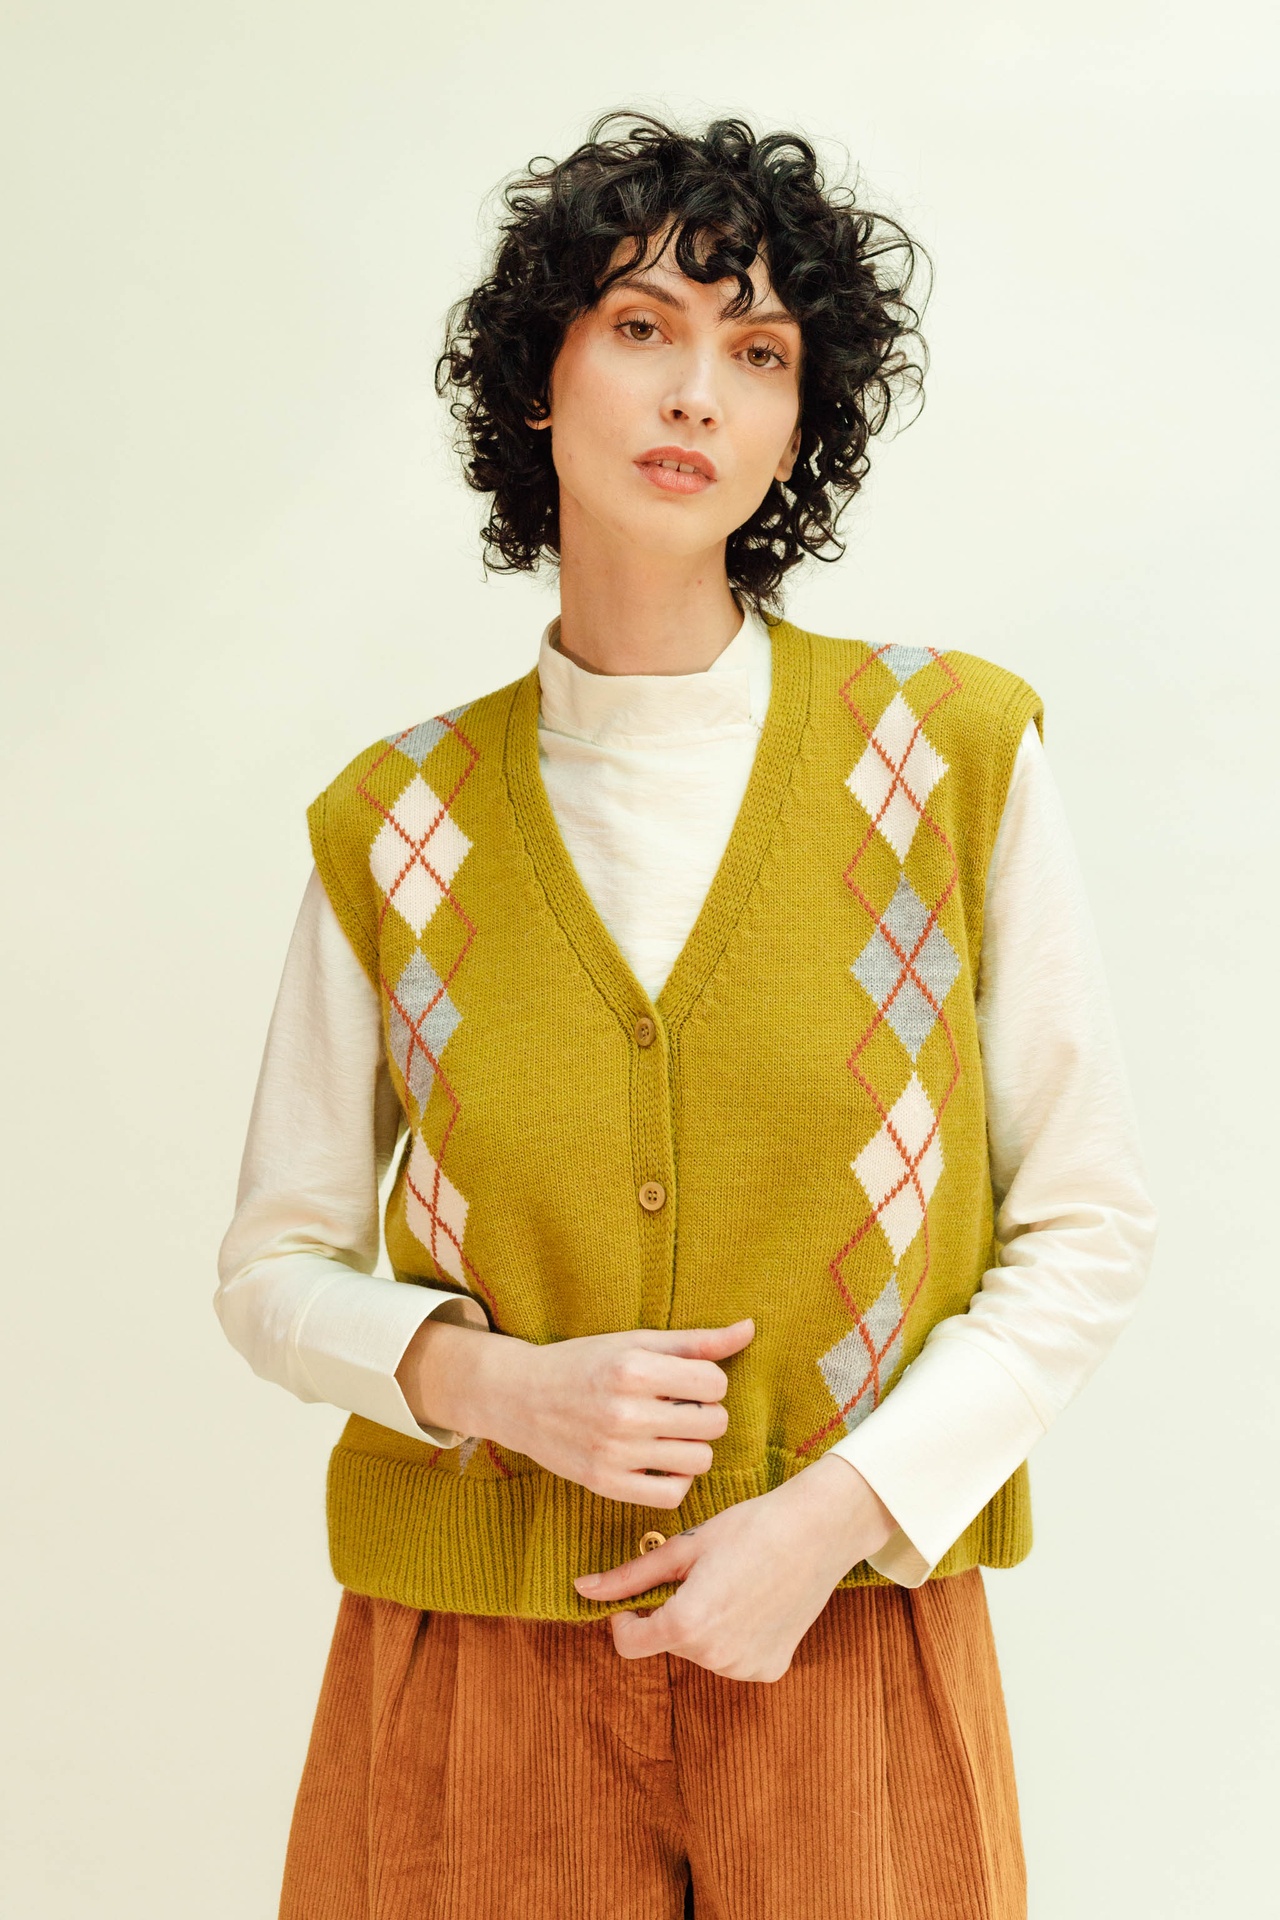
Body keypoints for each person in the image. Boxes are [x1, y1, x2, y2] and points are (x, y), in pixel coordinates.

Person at [216, 110, 1156, 1920]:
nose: (696, 392)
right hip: (475, 1668)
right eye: (642, 326)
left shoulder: (948, 761)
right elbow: (271, 1266)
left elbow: (1089, 1224)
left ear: (801, 424)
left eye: (760, 352)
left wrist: (836, 1513)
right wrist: (490, 1386)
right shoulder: (395, 824)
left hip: (851, 1638)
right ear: (538, 379)